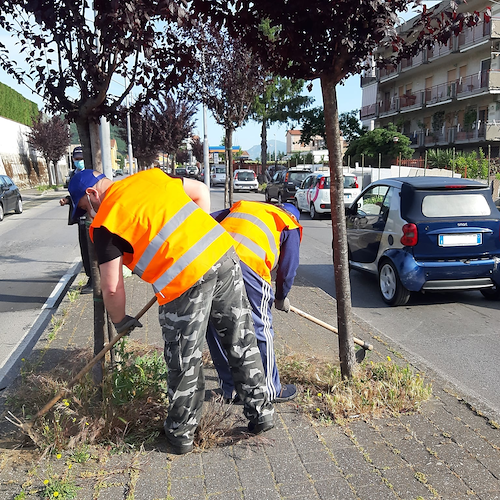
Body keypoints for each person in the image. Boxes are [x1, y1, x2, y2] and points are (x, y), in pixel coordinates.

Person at [68, 168, 274, 455]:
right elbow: (201, 191)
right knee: (240, 338)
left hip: (184, 280)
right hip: (222, 253)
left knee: (184, 356)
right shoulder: (151, 176)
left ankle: (181, 433)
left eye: (83, 209)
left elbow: (112, 287)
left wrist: (119, 320)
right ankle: (261, 411)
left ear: (91, 194)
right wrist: (198, 243)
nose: (88, 216)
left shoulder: (106, 223)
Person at [206, 200, 302, 404]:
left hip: (210, 258)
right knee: (261, 325)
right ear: (293, 216)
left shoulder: (243, 205)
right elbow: (288, 267)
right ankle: (269, 389)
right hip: (250, 266)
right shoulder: (290, 223)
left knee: (214, 322)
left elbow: (206, 220)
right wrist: (280, 297)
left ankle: (230, 388)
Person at [60, 146, 92, 293]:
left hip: (90, 216)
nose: (79, 162)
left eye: (81, 159)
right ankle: (90, 277)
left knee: (91, 248)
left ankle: (94, 279)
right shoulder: (73, 175)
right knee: (84, 249)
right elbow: (74, 195)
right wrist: (67, 200)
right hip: (79, 216)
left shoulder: (89, 174)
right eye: (76, 159)